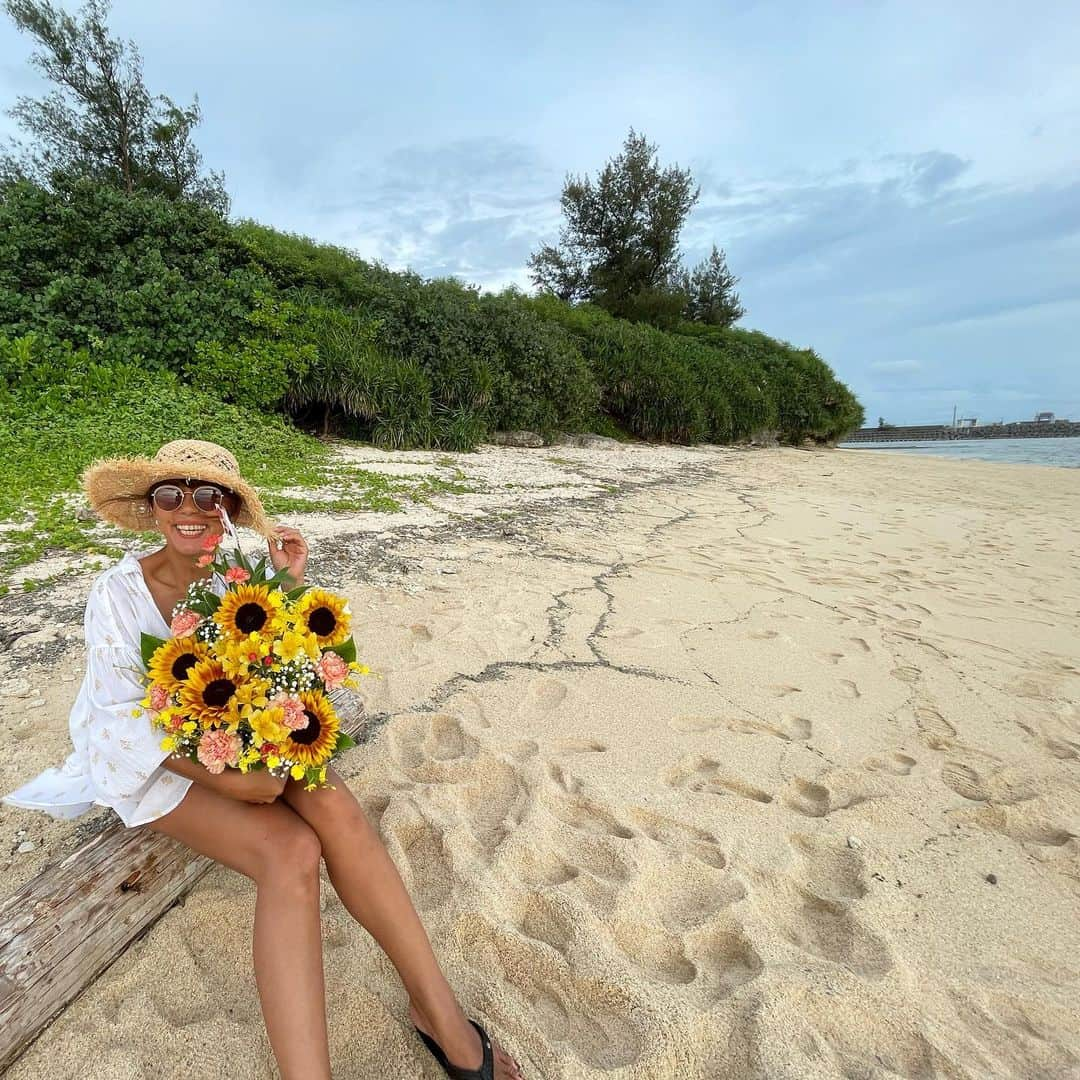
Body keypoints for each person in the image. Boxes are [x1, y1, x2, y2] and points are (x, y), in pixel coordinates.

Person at [2, 439, 524, 1080]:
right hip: (157, 759)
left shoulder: (241, 576)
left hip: (238, 735)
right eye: (171, 495)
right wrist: (230, 778)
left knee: (333, 803)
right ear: (152, 508)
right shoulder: (117, 595)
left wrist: (293, 587)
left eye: (208, 495)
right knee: (290, 853)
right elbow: (116, 721)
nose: (188, 509)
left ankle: (440, 1016)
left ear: (228, 509)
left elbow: (282, 668)